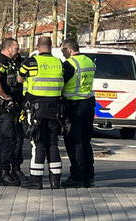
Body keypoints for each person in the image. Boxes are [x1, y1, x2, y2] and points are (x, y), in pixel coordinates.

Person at [17, 36, 65, 190]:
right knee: (53, 143)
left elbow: (19, 79)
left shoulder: (30, 62)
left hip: (36, 109)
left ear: (38, 47)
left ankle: (36, 180)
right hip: (55, 109)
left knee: (38, 143)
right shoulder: (59, 63)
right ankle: (55, 181)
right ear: (51, 46)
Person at [0, 38, 23, 186]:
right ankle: (3, 173)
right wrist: (4, 96)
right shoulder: (1, 61)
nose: (18, 51)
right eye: (16, 48)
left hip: (6, 107)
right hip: (2, 107)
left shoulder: (9, 61)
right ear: (8, 48)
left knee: (2, 139)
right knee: (7, 139)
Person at [60, 39, 96, 188]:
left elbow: (61, 83)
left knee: (75, 142)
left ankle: (77, 176)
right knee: (86, 141)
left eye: (63, 51)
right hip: (89, 103)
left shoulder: (69, 64)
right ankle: (89, 176)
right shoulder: (89, 61)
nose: (63, 54)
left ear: (68, 50)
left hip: (74, 106)